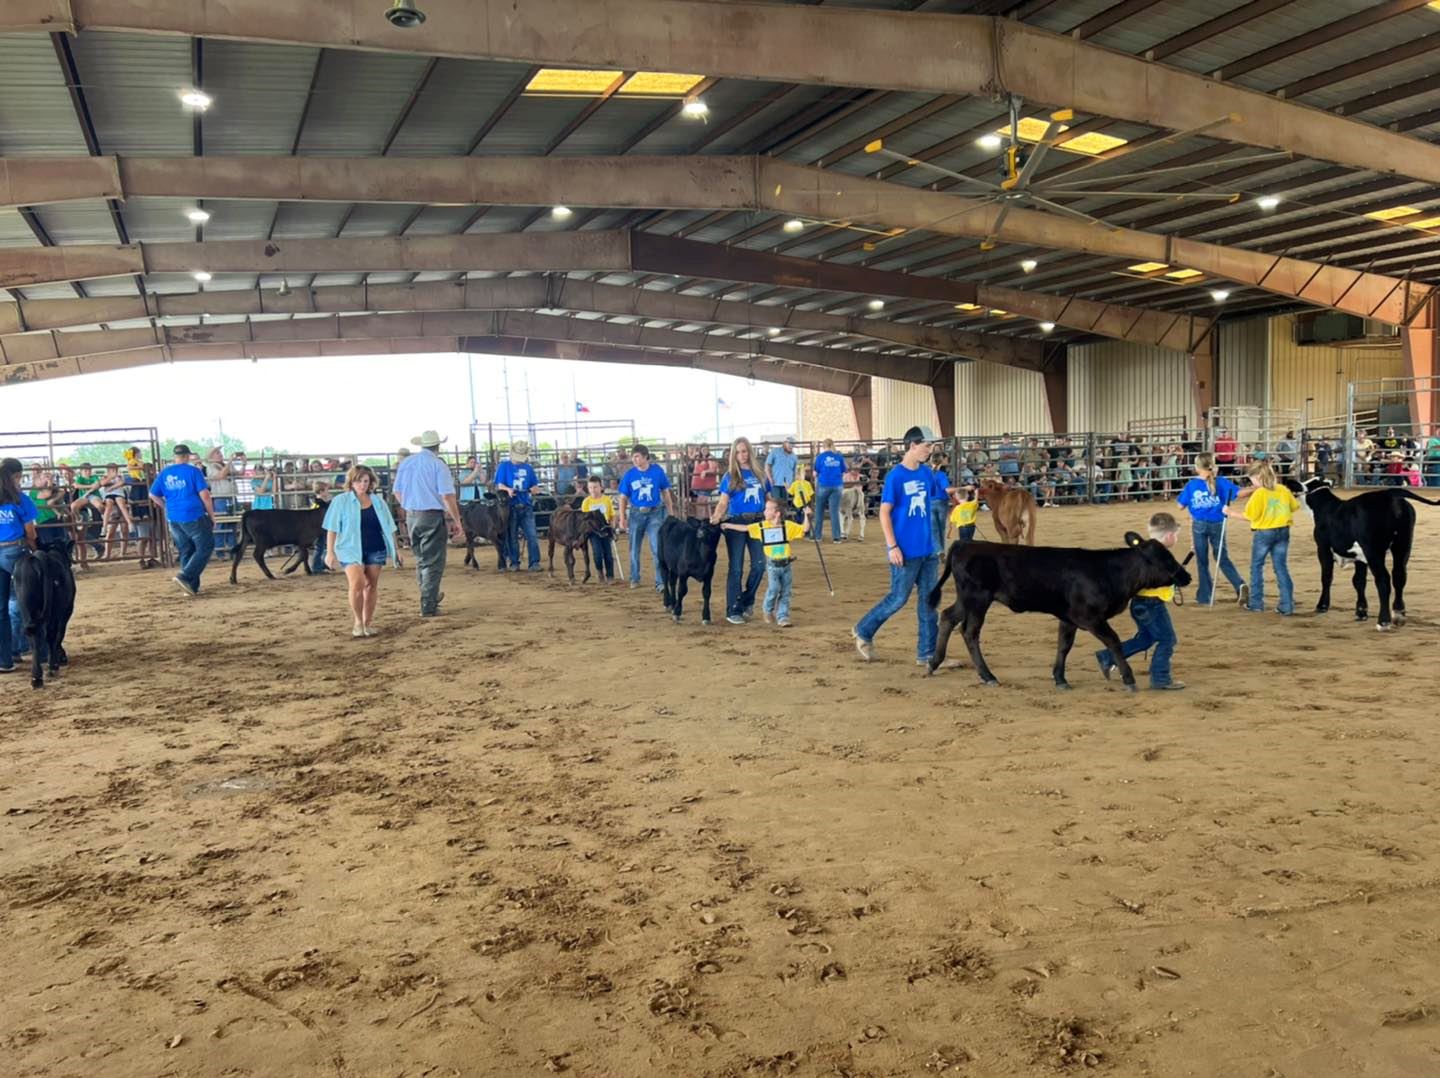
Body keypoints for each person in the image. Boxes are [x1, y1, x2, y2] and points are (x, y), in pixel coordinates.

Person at [852, 425, 940, 665]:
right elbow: (884, 513)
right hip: (905, 550)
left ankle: (927, 653)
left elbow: (935, 496)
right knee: (898, 598)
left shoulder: (926, 474)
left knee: (929, 601)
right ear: (912, 446)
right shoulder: (895, 477)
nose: (930, 450)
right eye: (927, 445)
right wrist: (893, 546)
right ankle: (863, 630)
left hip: (927, 548)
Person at [1095, 512, 1186, 691]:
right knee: (1167, 639)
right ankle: (1160, 678)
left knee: (1146, 638)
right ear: (1169, 536)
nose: (1175, 539)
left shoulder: (1143, 553)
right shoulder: (1160, 558)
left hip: (1140, 603)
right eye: (1175, 536)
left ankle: (1108, 657)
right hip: (1152, 605)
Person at [392, 430, 465, 617]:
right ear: (438, 446)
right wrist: (457, 520)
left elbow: (397, 492)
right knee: (433, 561)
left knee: (421, 558)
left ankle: (429, 594)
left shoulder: (406, 463)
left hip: (412, 515)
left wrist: (409, 506)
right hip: (431, 515)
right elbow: (447, 496)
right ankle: (428, 602)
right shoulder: (438, 465)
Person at [324, 464, 399, 638]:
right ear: (351, 482)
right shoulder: (340, 501)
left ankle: (367, 622)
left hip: (375, 546)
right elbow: (332, 528)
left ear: (371, 482)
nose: (362, 485)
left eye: (366, 481)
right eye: (359, 481)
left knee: (371, 585)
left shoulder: (378, 502)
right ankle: (358, 621)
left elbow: (389, 527)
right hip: (350, 549)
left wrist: (396, 549)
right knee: (357, 583)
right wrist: (330, 552)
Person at [721, 491, 809, 628]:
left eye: (768, 509)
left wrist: (807, 516)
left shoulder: (788, 526)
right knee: (774, 589)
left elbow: (804, 529)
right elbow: (745, 528)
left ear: (777, 513)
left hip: (786, 564)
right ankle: (767, 609)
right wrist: (728, 525)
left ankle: (783, 617)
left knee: (786, 592)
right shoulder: (762, 526)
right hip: (773, 565)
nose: (764, 511)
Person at [1226, 460, 1299, 616]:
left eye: (1252, 479)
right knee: (1281, 567)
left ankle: (1256, 603)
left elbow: (1250, 516)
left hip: (1264, 532)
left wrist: (1231, 513)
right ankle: (1287, 604)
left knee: (1257, 566)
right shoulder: (1283, 490)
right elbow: (1294, 507)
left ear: (1258, 477)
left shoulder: (1259, 493)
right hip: (1283, 531)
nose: (1252, 483)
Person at [1176, 452, 1248, 607]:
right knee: (1222, 557)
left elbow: (1180, 506)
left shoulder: (1191, 485)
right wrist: (1257, 487)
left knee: (1202, 561)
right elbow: (1240, 493)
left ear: (1196, 468)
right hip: (1218, 524)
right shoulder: (1221, 482)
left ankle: (1204, 595)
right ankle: (1239, 584)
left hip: (1199, 525)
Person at [711, 436, 769, 625]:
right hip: (736, 522)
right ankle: (733, 608)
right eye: (738, 452)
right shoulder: (730, 477)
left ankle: (746, 599)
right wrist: (716, 516)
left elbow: (768, 497)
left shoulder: (759, 474)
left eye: (745, 451)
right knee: (736, 567)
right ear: (734, 455)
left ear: (749, 452)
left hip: (758, 521)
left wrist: (775, 512)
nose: (742, 455)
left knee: (760, 564)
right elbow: (723, 501)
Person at [149, 444, 215, 596]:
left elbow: (153, 494)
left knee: (186, 549)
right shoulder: (193, 471)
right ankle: (185, 576)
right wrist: (211, 515)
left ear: (175, 456)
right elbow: (205, 495)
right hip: (193, 514)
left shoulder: (165, 473)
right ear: (186, 456)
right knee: (206, 546)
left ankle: (190, 587)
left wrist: (166, 507)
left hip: (173, 517)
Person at [0, 459, 40, 674]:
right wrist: (35, 549)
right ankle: (22, 646)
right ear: (15, 476)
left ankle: (4, 659)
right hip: (15, 550)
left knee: (0, 607)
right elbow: (31, 532)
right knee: (19, 602)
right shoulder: (20, 499)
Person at [617, 443, 674, 590]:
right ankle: (634, 577)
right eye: (633, 457)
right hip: (636, 513)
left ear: (645, 457)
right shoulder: (630, 475)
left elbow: (665, 492)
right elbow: (622, 497)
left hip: (655, 512)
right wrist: (622, 517)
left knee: (657, 547)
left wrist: (670, 512)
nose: (634, 460)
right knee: (634, 548)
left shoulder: (657, 472)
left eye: (637, 457)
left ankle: (660, 581)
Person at [496, 440, 542, 572]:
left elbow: (535, 485)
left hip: (525, 505)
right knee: (512, 536)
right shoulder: (504, 466)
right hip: (510, 506)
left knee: (531, 535)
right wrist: (508, 490)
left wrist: (534, 489)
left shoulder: (528, 468)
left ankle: (534, 562)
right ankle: (514, 561)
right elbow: (500, 485)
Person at [580, 475, 619, 584]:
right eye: (591, 487)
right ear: (588, 488)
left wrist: (613, 525)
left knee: (608, 553)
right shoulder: (586, 502)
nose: (593, 490)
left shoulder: (606, 499)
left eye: (595, 487)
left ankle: (610, 575)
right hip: (593, 531)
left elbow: (612, 515)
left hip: (606, 528)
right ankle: (600, 572)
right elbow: (584, 519)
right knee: (597, 553)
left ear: (601, 487)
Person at [99, 462, 134, 560]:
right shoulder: (105, 477)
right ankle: (107, 553)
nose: (113, 471)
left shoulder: (119, 476)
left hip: (120, 502)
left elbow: (121, 483)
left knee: (124, 530)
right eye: (111, 469)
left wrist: (112, 486)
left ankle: (123, 553)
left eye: (114, 469)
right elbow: (102, 483)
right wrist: (111, 477)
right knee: (111, 531)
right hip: (113, 508)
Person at [841, 461, 866, 541]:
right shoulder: (846, 476)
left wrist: (863, 481)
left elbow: (867, 481)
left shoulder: (862, 476)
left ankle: (860, 533)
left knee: (846, 514)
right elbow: (844, 485)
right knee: (853, 514)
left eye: (857, 469)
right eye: (854, 469)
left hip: (857, 495)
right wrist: (855, 483)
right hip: (848, 497)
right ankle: (845, 532)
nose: (856, 471)